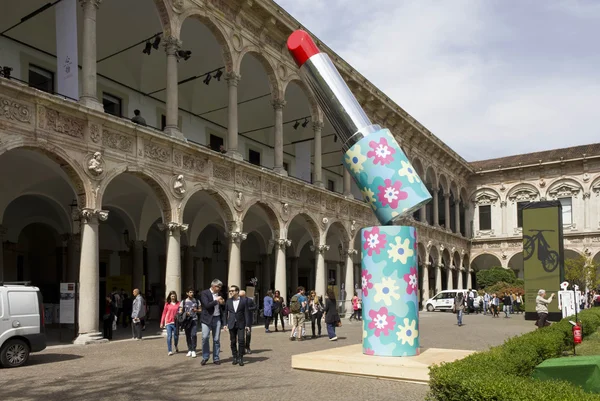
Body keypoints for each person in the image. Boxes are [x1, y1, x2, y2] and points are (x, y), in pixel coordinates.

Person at [224, 285, 252, 366]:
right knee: (233, 341)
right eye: (230, 291)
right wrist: (225, 323)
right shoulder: (228, 301)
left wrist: (247, 325)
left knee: (241, 340)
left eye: (232, 291)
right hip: (231, 323)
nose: (230, 292)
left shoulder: (243, 301)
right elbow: (225, 313)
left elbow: (246, 313)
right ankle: (234, 356)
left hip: (241, 323)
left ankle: (240, 357)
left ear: (237, 292)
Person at [199, 279, 225, 365]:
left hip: (217, 318)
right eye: (218, 287)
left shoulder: (220, 294)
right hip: (206, 318)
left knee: (216, 339)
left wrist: (222, 302)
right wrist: (216, 301)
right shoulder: (204, 293)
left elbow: (223, 307)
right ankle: (205, 357)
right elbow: (206, 305)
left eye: (220, 287)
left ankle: (216, 358)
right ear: (213, 286)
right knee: (205, 337)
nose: (219, 289)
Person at [180, 288, 200, 358]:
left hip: (194, 319)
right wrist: (185, 313)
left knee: (193, 334)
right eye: (190, 292)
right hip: (187, 320)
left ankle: (194, 349)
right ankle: (190, 349)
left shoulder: (197, 301)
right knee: (188, 335)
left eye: (192, 292)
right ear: (187, 293)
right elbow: (180, 311)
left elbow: (201, 309)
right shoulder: (183, 301)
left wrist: (196, 310)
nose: (192, 293)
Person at [160, 291, 181, 356]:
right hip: (168, 322)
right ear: (170, 297)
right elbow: (164, 313)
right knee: (169, 336)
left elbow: (181, 312)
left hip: (176, 322)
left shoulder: (178, 303)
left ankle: (176, 345)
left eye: (174, 296)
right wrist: (162, 322)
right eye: (172, 296)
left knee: (176, 336)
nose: (173, 297)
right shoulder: (167, 304)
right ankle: (169, 350)